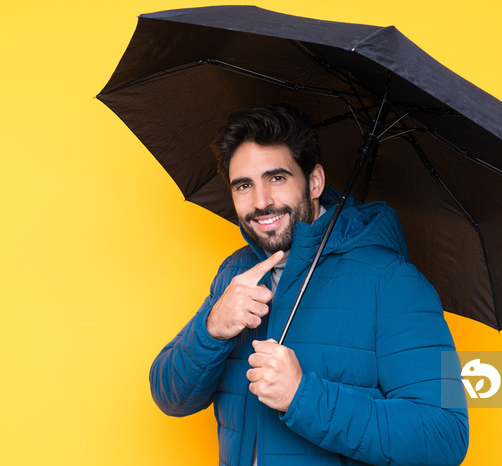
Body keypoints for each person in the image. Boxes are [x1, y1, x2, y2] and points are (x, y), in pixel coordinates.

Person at [150, 104, 469, 466]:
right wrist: (212, 330)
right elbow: (171, 396)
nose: (261, 202)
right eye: (244, 185)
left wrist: (303, 396)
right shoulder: (236, 272)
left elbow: (445, 435)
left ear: (314, 181)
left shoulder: (393, 281)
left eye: (277, 178)